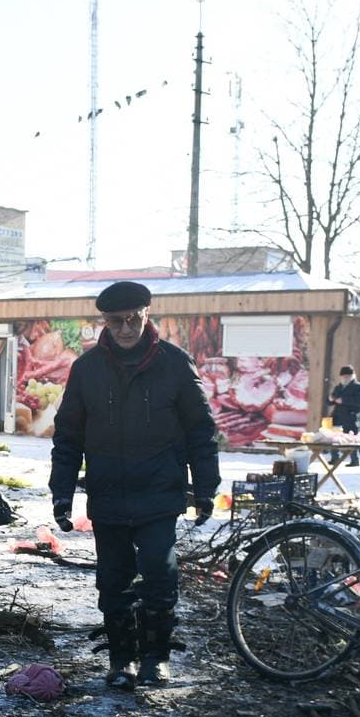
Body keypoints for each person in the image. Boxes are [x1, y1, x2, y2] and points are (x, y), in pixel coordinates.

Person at [49, 281, 220, 689]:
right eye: (115, 321)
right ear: (103, 321)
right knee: (113, 580)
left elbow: (201, 430)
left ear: (147, 314)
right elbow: (68, 435)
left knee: (160, 574)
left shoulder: (175, 364)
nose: (126, 329)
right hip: (109, 494)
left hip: (160, 492)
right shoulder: (86, 370)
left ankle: (156, 659)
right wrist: (62, 491)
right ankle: (121, 660)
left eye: (133, 319)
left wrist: (207, 487)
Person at [330, 365, 360, 466]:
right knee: (334, 437)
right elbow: (330, 401)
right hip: (337, 415)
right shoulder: (339, 387)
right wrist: (330, 399)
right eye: (343, 376)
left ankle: (354, 460)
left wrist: (343, 400)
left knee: (351, 438)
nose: (345, 378)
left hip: (351, 416)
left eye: (347, 376)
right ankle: (334, 458)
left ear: (352, 376)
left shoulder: (359, 387)